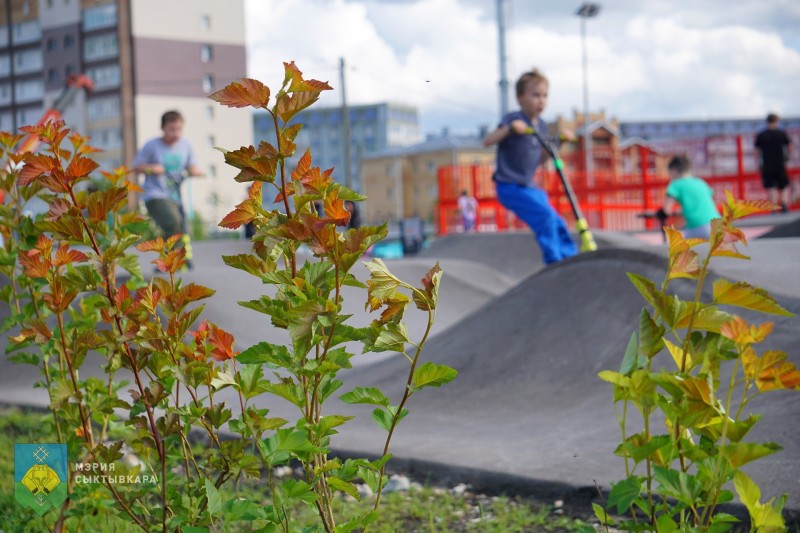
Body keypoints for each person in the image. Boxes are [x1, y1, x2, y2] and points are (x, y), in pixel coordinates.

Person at [483, 68, 577, 264]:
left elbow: (540, 160)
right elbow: (488, 141)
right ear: (520, 98)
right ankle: (554, 262)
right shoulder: (513, 119)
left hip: (529, 186)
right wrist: (509, 129)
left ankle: (571, 259)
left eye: (545, 96)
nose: (541, 101)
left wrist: (561, 142)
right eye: (535, 95)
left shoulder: (541, 126)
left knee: (557, 221)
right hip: (509, 186)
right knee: (545, 218)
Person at [133, 110, 204, 264]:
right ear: (163, 128)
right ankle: (170, 260)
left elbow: (192, 165)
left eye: (179, 129)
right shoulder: (152, 145)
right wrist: (151, 168)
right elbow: (136, 166)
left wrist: (194, 170)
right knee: (174, 222)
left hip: (175, 195)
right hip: (155, 194)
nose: (176, 133)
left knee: (183, 227)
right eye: (172, 129)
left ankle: (171, 259)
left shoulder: (185, 145)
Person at [657, 155, 720, 240]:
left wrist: (661, 213)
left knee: (684, 251)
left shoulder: (675, 184)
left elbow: (666, 210)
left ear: (673, 171)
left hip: (698, 226)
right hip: (718, 223)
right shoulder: (700, 182)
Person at [755, 113, 792, 212]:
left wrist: (758, 162)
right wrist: (788, 157)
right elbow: (789, 146)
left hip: (767, 163)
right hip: (780, 163)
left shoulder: (761, 135)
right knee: (783, 184)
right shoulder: (781, 133)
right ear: (776, 121)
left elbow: (757, 151)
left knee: (771, 185)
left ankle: (774, 206)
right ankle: (784, 204)